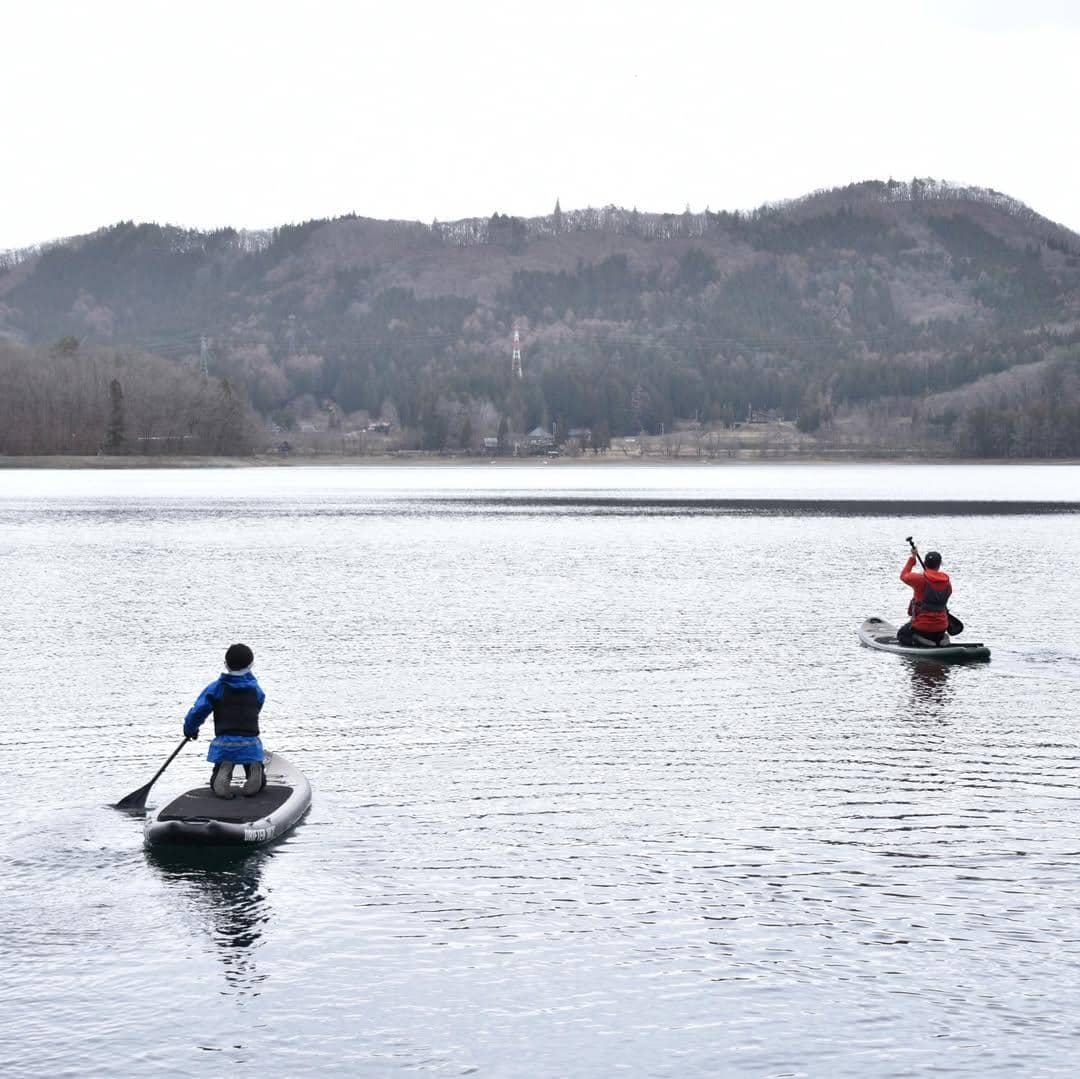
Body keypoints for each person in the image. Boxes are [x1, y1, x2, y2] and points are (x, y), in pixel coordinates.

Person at [183, 643, 266, 798]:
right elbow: (258, 706)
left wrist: (190, 729)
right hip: (251, 744)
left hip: (224, 745)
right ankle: (256, 775)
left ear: (226, 665)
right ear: (251, 665)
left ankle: (223, 774)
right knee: (254, 767)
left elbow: (198, 712)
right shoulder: (256, 689)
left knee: (218, 776)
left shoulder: (216, 688)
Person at [897, 546, 952, 647]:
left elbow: (903, 575)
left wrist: (913, 557)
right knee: (937, 631)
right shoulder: (947, 582)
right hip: (942, 626)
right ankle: (942, 639)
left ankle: (920, 641)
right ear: (939, 564)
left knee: (901, 635)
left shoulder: (920, 579)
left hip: (922, 627)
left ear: (925, 563)